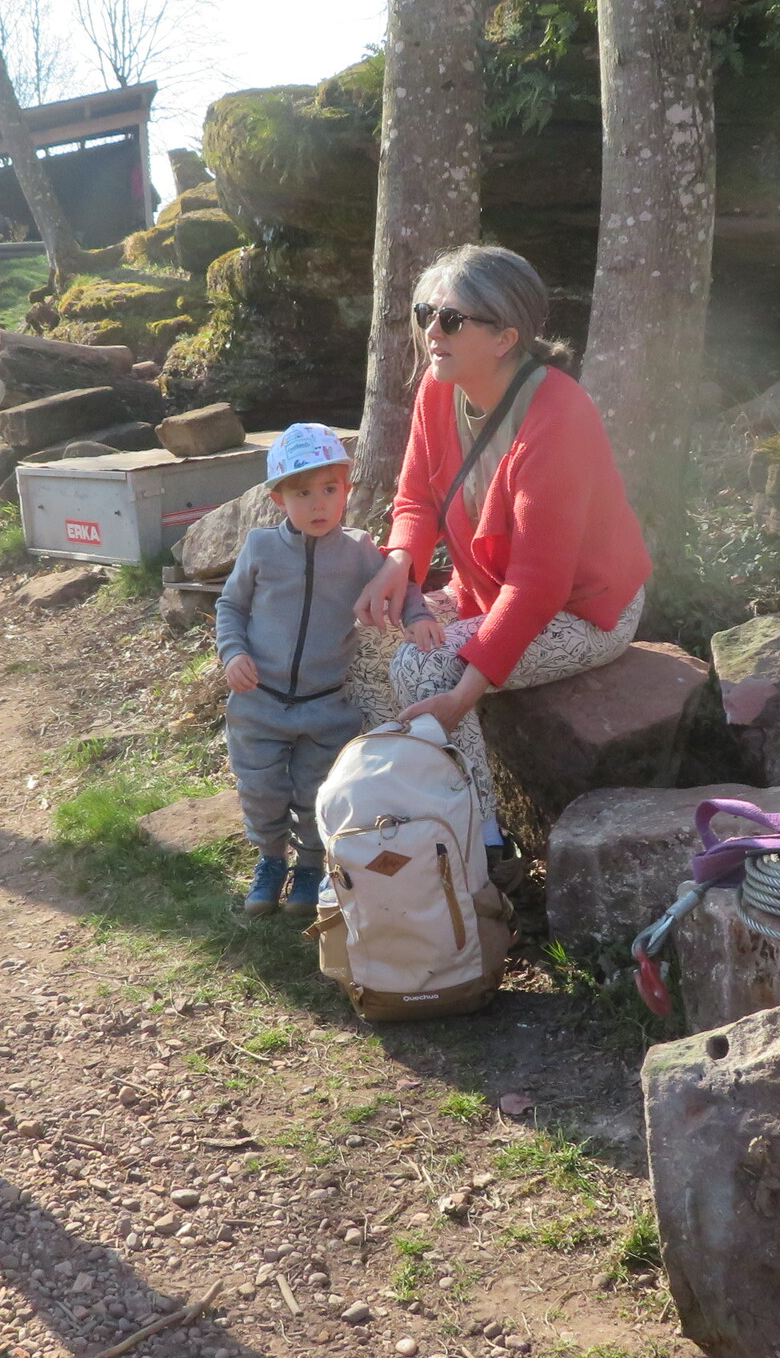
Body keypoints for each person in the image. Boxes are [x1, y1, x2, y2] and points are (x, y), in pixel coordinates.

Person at [354, 244, 653, 871]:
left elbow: (540, 585)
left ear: (504, 338)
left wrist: (466, 692)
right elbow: (415, 500)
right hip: (489, 593)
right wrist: (398, 562)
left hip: (583, 610)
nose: (432, 332)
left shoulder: (558, 416)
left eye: (451, 319)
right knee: (363, 642)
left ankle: (482, 847)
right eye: (426, 313)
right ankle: (401, 813)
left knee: (427, 669)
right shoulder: (440, 391)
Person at [216, 424, 430, 918]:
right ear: (278, 499)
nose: (319, 504)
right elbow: (230, 606)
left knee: (319, 791)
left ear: (346, 491)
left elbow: (400, 583)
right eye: (303, 493)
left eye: (330, 490)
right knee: (261, 790)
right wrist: (232, 653)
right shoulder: (261, 548)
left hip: (326, 706)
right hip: (259, 701)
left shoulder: (358, 551)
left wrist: (418, 616)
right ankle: (271, 860)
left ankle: (311, 866)